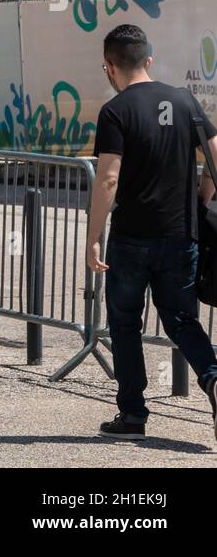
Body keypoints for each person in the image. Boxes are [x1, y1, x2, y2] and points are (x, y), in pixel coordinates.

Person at [86, 24, 217, 440]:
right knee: (181, 319)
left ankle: (133, 415)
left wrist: (93, 235)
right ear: (149, 60)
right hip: (181, 234)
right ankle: (214, 377)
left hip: (131, 237)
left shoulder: (115, 111)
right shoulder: (184, 99)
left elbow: (108, 179)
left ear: (108, 67)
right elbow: (215, 154)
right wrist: (202, 193)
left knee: (124, 323)